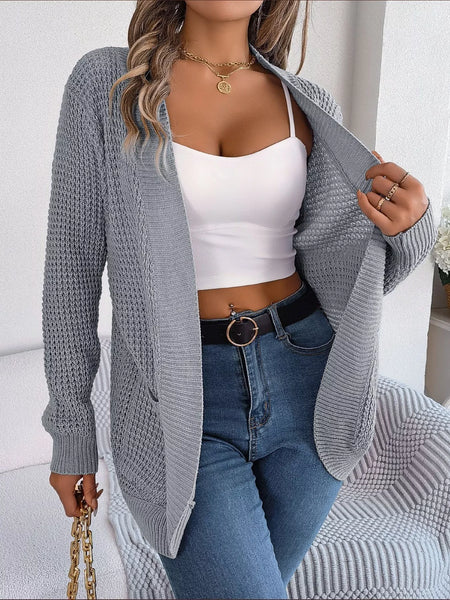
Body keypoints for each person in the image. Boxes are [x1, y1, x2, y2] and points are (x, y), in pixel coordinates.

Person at [41, 1, 437, 598]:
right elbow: (70, 271)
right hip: (180, 401)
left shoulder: (306, 104)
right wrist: (72, 433)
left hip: (310, 384)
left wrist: (410, 230)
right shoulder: (108, 85)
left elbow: (350, 278)